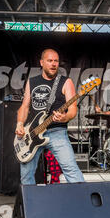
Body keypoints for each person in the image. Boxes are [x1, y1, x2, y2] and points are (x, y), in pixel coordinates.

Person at [15, 48, 85, 184]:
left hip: (57, 132)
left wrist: (64, 117)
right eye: (50, 61)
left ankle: (83, 202)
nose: (53, 64)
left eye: (56, 61)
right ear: (42, 62)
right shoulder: (32, 81)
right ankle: (31, 204)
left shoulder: (66, 82)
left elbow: (72, 109)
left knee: (72, 171)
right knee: (26, 175)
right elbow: (24, 106)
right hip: (33, 133)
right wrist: (19, 123)